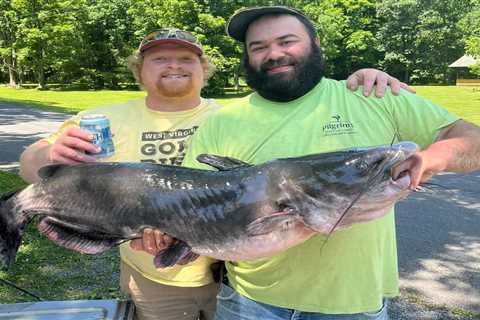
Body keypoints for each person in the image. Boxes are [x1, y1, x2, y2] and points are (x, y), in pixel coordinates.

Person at [19, 27, 412, 320]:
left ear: (203, 70)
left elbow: (303, 118)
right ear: (140, 70)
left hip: (233, 276)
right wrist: (48, 153)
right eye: (160, 58)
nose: (174, 65)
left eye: (186, 59)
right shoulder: (100, 119)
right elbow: (32, 166)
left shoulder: (233, 117)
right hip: (161, 283)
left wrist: (366, 79)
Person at [181, 6, 480, 320]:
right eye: (259, 47)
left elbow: (471, 139)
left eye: (286, 41)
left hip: (353, 306)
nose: (274, 54)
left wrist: (428, 160)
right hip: (249, 302)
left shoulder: (373, 95)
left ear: (316, 43)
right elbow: (191, 204)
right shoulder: (222, 122)